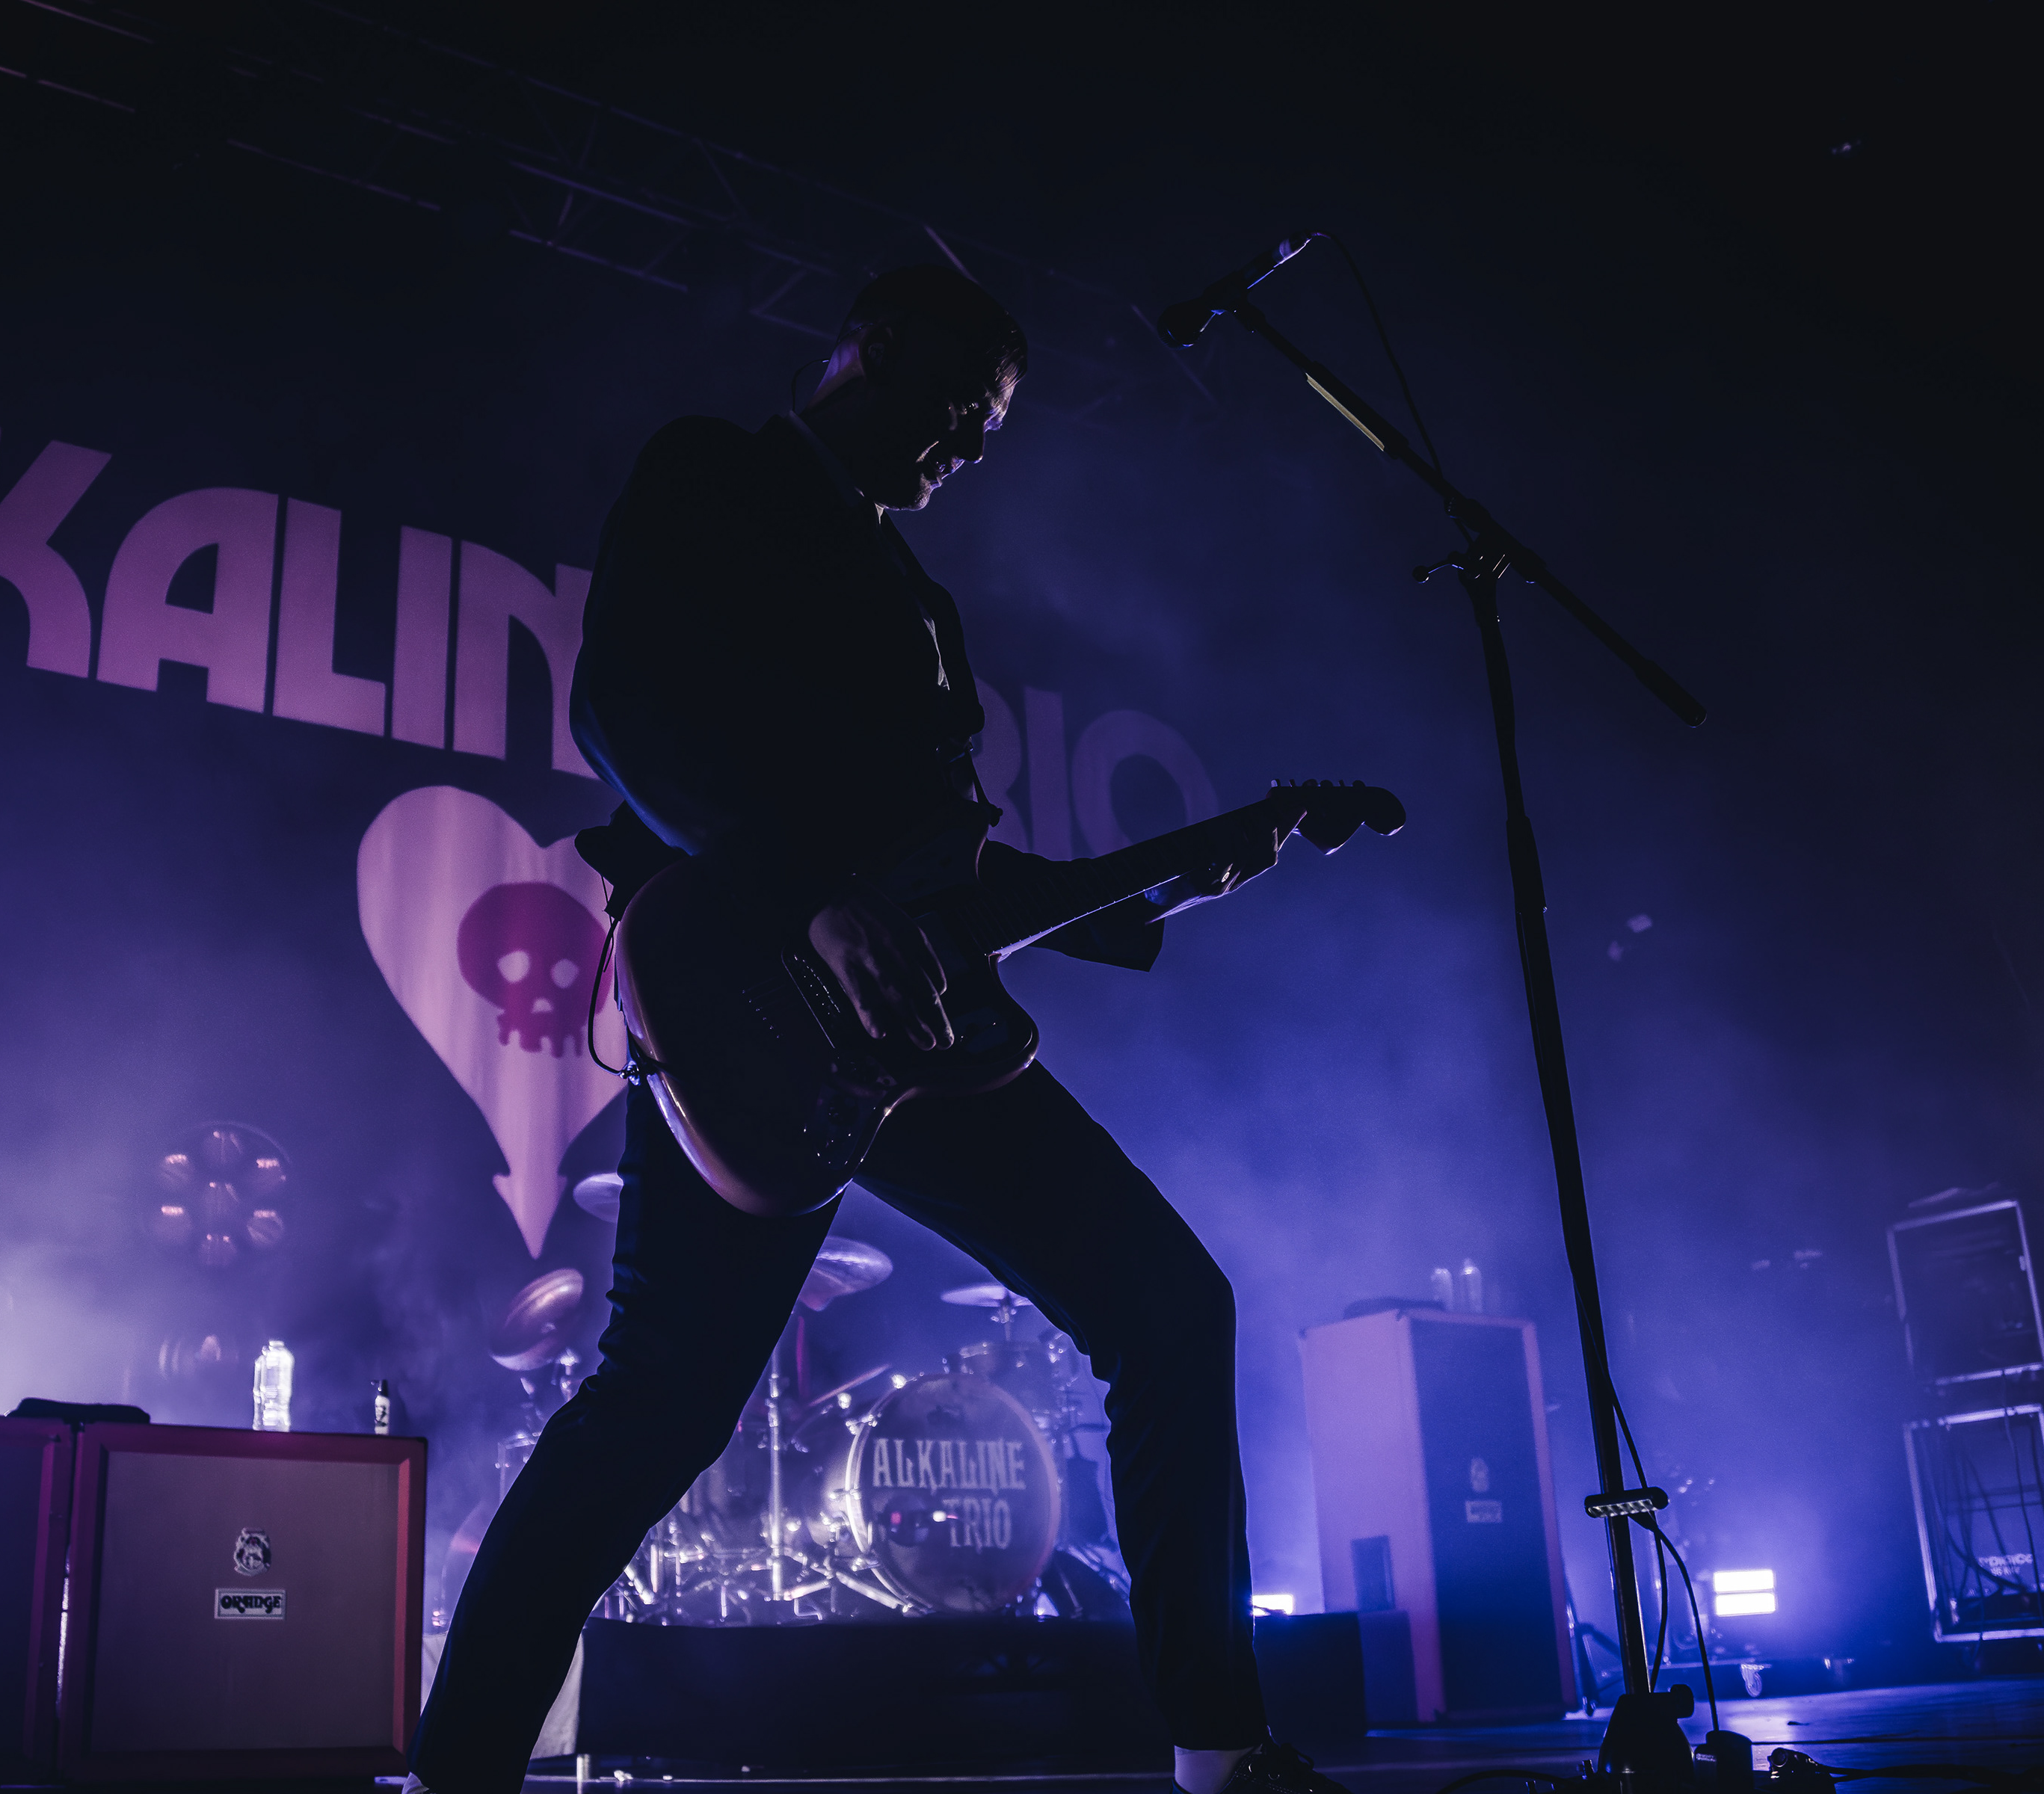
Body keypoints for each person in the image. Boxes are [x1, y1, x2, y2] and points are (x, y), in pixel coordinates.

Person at [408, 265, 1348, 1794]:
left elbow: (959, 884)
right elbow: (621, 711)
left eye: (988, 433)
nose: (966, 449)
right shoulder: (715, 474)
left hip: (917, 1031)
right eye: (957, 410)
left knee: (1171, 1311)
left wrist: (1182, 875)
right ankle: (456, 1772)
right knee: (658, 1409)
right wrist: (808, 904)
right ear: (872, 349)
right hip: (747, 1005)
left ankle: (1219, 1754)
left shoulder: (925, 608)